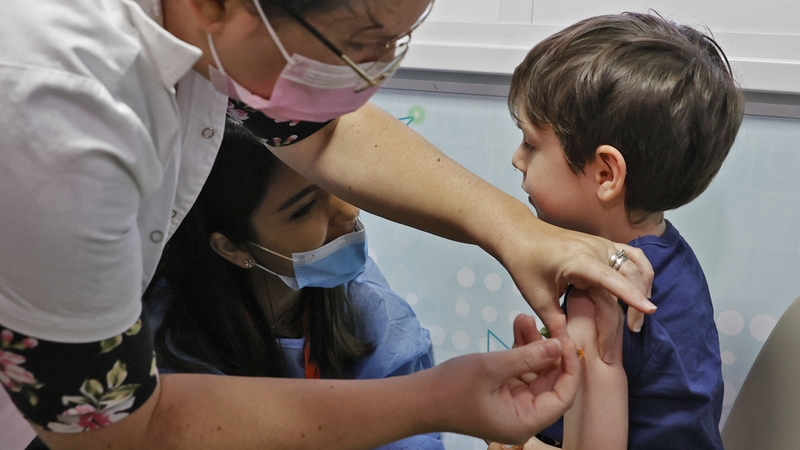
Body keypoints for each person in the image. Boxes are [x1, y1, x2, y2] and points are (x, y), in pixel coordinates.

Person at [0, 0, 655, 448]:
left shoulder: (210, 33)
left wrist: (516, 230)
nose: (368, 78)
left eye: (394, 44)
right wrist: (436, 400)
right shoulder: (60, 106)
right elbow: (118, 431)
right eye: (358, 47)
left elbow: (312, 128)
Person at [506, 12, 744, 449]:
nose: (517, 159)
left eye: (530, 143)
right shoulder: (669, 256)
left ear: (605, 174)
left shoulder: (599, 297)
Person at [145, 117, 443, 449]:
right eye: (302, 209)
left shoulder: (370, 310)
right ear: (232, 246)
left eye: (335, 182)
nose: (348, 210)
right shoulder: (157, 351)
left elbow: (413, 434)